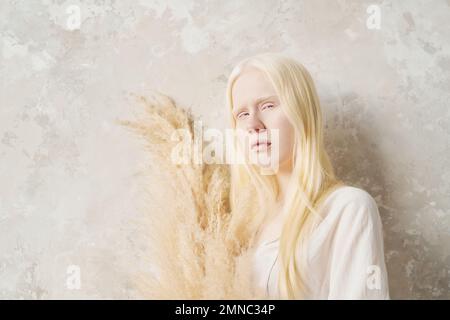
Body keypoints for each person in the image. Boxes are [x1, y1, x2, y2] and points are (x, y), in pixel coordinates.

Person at [225, 53, 390, 299]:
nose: (253, 125)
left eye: (267, 106)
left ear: (302, 112)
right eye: (242, 114)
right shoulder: (241, 224)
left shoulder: (347, 208)